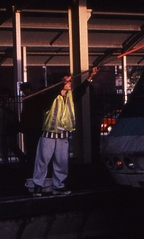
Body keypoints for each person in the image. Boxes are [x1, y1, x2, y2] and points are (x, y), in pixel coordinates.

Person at [32, 67, 98, 196]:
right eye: (68, 82)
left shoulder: (70, 96)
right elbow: (51, 94)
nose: (70, 83)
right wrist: (61, 84)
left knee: (61, 161)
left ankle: (59, 186)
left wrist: (90, 76)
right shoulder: (50, 97)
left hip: (63, 133)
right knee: (43, 159)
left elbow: (81, 90)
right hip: (48, 133)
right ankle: (38, 185)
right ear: (61, 83)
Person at [19, 82, 43, 178]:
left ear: (29, 88)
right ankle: (32, 164)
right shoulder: (33, 98)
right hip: (33, 126)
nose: (24, 92)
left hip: (33, 126)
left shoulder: (31, 99)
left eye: (25, 90)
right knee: (32, 147)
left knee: (32, 147)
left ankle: (31, 164)